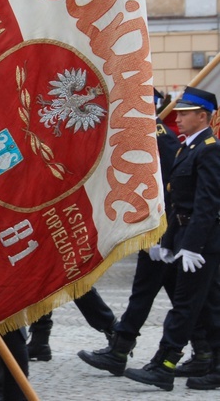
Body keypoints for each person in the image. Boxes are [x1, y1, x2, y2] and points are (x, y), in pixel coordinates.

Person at [77, 92, 211, 377]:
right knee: (170, 294)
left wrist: (164, 236)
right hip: (157, 231)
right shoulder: (144, 135)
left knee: (174, 295)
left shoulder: (160, 137)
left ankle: (130, 351)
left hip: (162, 231)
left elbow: (171, 191)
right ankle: (199, 350)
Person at [123, 86, 220, 391]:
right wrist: (167, 242)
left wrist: (192, 246)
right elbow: (176, 202)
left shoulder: (209, 148)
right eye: (179, 112)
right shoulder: (187, 148)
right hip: (186, 236)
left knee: (185, 304)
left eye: (186, 113)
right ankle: (213, 364)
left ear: (202, 116)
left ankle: (164, 365)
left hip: (202, 243)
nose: (179, 118)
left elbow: (207, 204)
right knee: (208, 305)